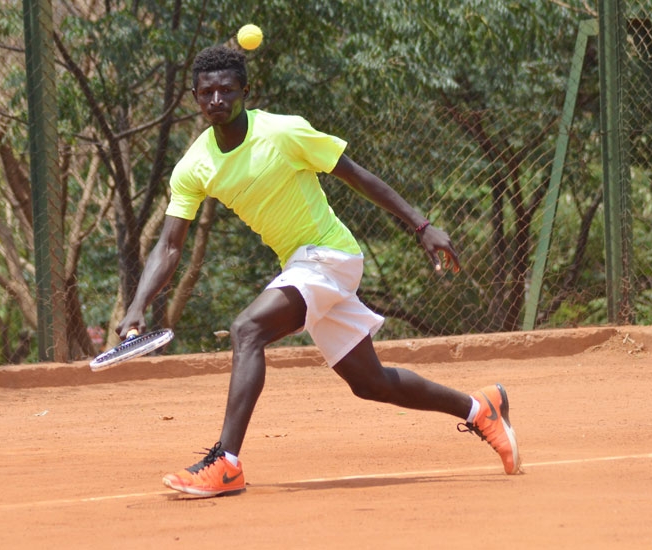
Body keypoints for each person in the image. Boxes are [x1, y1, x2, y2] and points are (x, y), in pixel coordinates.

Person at [117, 45, 522, 497]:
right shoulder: (194, 166)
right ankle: (479, 408)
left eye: (227, 90)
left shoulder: (283, 133)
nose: (217, 100)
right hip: (300, 264)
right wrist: (137, 306)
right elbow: (170, 246)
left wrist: (421, 225)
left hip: (329, 254)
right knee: (371, 383)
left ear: (245, 91)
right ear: (195, 97)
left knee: (247, 329)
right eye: (207, 92)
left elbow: (356, 175)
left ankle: (225, 463)